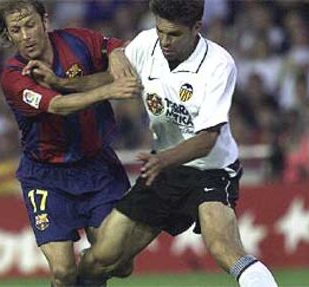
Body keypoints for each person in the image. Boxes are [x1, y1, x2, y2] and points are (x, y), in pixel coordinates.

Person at [78, 1, 279, 287]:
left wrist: (163, 159)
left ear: (197, 28)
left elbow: (207, 140)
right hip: (165, 169)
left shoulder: (218, 65)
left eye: (173, 34)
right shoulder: (147, 42)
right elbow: (110, 79)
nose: (164, 41)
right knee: (98, 260)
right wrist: (61, 86)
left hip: (210, 169)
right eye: (160, 30)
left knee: (224, 249)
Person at [0, 1, 141, 287]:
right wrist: (109, 88)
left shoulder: (77, 40)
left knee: (122, 264)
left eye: (30, 24)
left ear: (44, 19)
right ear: (8, 35)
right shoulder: (14, 76)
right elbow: (58, 105)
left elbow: (119, 46)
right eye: (16, 30)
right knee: (63, 272)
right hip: (47, 176)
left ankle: (92, 272)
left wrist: (116, 53)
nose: (26, 35)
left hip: (99, 167)